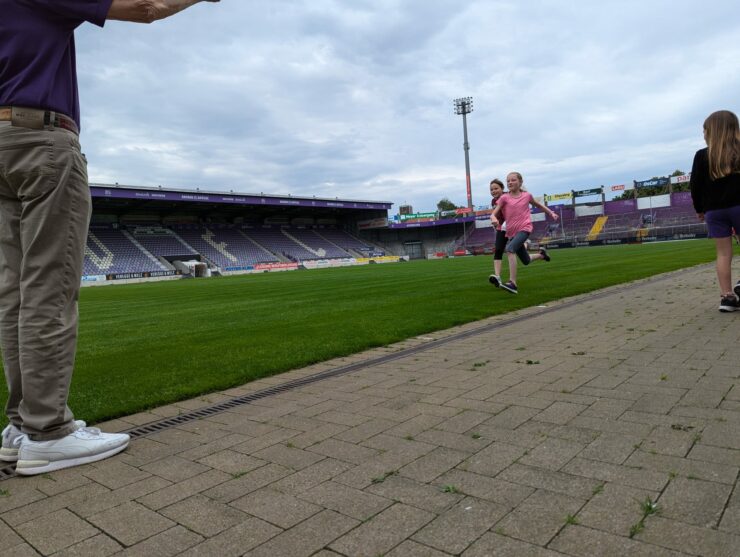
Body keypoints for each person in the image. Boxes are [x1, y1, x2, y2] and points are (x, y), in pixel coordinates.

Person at [0, 0, 220, 476]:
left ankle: (20, 427)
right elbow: (147, 7)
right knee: (47, 290)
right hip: (39, 139)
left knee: (15, 295)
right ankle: (47, 432)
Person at [689, 110, 740, 313]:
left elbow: (695, 186)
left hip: (714, 211)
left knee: (723, 253)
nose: (703, 133)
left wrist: (699, 209)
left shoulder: (701, 155)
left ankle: (727, 298)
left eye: (705, 130)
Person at [490, 171, 558, 294]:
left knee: (510, 249)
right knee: (525, 260)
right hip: (511, 232)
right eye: (508, 181)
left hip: (525, 229)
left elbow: (539, 205)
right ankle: (542, 255)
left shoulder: (527, 196)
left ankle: (513, 283)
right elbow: (493, 214)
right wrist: (493, 218)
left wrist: (551, 213)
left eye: (513, 180)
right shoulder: (504, 198)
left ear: (520, 182)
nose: (510, 182)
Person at [488, 178, 509, 287]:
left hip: (512, 226)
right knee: (498, 250)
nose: (493, 191)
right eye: (491, 189)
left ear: (502, 188)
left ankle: (541, 255)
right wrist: (495, 222)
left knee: (524, 258)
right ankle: (497, 277)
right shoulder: (493, 201)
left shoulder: (508, 196)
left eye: (496, 188)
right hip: (502, 228)